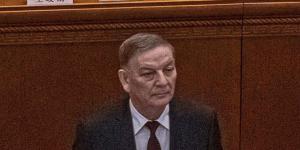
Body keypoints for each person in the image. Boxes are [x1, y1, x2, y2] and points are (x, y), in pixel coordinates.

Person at [73, 33, 223, 150]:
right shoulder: (96, 131)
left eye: (168, 70)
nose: (163, 82)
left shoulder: (202, 122)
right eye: (148, 74)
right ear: (125, 79)